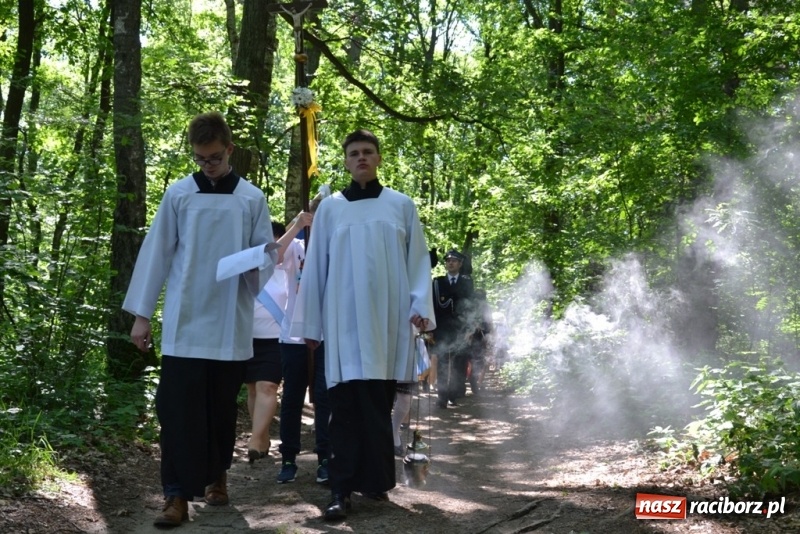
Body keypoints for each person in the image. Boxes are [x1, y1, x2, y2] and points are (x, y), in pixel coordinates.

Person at [124, 112, 275, 528]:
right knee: (175, 411)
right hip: (185, 321)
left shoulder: (251, 198)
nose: (206, 165)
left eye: (213, 157)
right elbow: (156, 254)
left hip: (229, 320)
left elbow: (266, 255)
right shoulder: (178, 195)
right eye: (199, 159)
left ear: (229, 150)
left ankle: (216, 477)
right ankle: (175, 496)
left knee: (219, 410)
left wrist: (253, 264)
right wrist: (141, 316)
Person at [291, 129, 435, 521]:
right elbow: (316, 266)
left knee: (378, 403)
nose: (361, 158)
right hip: (342, 323)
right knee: (343, 406)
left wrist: (420, 309)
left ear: (379, 158)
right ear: (346, 160)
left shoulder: (400, 206)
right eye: (354, 153)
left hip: (387, 323)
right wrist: (310, 323)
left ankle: (375, 481)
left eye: (368, 152)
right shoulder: (332, 210)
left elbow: (417, 262)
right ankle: (340, 489)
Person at [275, 203, 331, 486]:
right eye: (314, 215)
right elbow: (272, 257)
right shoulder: (296, 246)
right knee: (293, 398)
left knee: (324, 397)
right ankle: (288, 459)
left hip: (326, 335)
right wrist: (296, 225)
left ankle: (325, 458)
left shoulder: (336, 246)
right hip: (294, 335)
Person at [245, 220, 299, 463]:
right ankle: (263, 436)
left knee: (267, 387)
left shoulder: (288, 269)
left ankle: (255, 438)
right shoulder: (250, 265)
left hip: (275, 339)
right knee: (253, 389)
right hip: (247, 338)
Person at [431, 249, 474, 408]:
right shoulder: (437, 282)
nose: (450, 263)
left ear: (460, 264)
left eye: (454, 261)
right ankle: (441, 397)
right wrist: (431, 329)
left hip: (460, 329)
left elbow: (471, 306)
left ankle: (453, 395)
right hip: (442, 329)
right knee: (442, 363)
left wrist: (470, 329)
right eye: (448, 260)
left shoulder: (467, 282)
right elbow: (434, 306)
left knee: (457, 364)